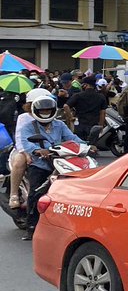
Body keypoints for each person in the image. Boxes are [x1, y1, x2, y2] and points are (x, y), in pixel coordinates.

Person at [15, 91, 84, 238]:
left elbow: (72, 138)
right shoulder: (28, 126)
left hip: (61, 162)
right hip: (40, 164)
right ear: (35, 111)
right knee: (36, 192)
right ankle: (31, 226)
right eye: (42, 111)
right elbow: (26, 143)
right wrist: (38, 150)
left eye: (48, 110)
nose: (45, 113)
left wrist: (86, 145)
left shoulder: (59, 125)